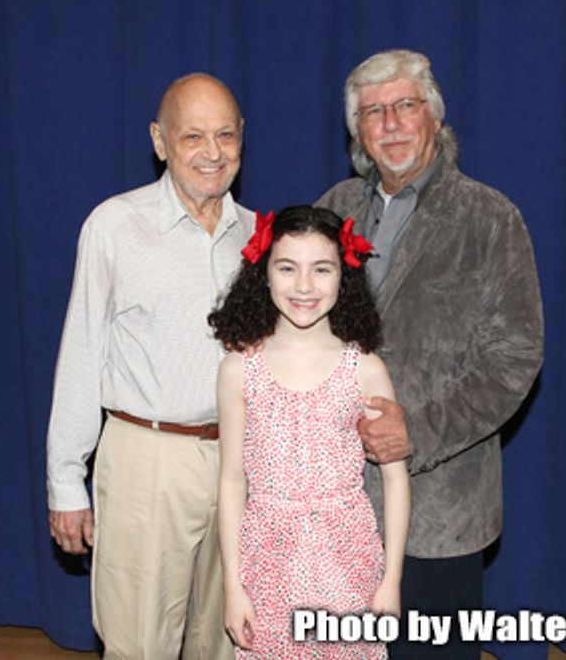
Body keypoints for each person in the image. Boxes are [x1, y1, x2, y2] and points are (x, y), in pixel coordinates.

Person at [316, 49, 544, 658]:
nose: (390, 123)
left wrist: (414, 431)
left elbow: (515, 358)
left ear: (434, 120)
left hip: (440, 512)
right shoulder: (331, 210)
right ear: (358, 131)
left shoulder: (490, 218)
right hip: (334, 503)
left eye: (405, 106)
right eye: (373, 112)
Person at [45, 73, 253, 660]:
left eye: (225, 135)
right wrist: (66, 480)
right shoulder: (115, 226)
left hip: (241, 462)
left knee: (227, 639)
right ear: (160, 141)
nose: (212, 153)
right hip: (147, 459)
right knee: (141, 644)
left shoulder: (260, 238)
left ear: (243, 138)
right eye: (192, 136)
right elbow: (82, 353)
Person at [209, 205, 410, 657]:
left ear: (344, 275)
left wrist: (391, 581)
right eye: (287, 268)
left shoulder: (366, 369)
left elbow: (396, 480)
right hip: (266, 559)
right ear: (264, 274)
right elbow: (232, 480)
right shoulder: (239, 369)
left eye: (321, 269)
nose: (303, 286)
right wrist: (232, 585)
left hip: (349, 558)